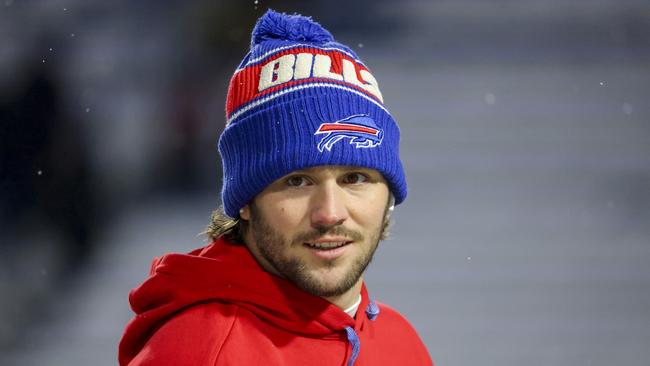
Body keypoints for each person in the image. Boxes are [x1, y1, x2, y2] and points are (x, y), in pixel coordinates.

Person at [118, 9, 433, 366]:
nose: (330, 212)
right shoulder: (198, 351)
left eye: (354, 178)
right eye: (297, 181)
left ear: (388, 193)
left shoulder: (400, 342)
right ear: (246, 201)